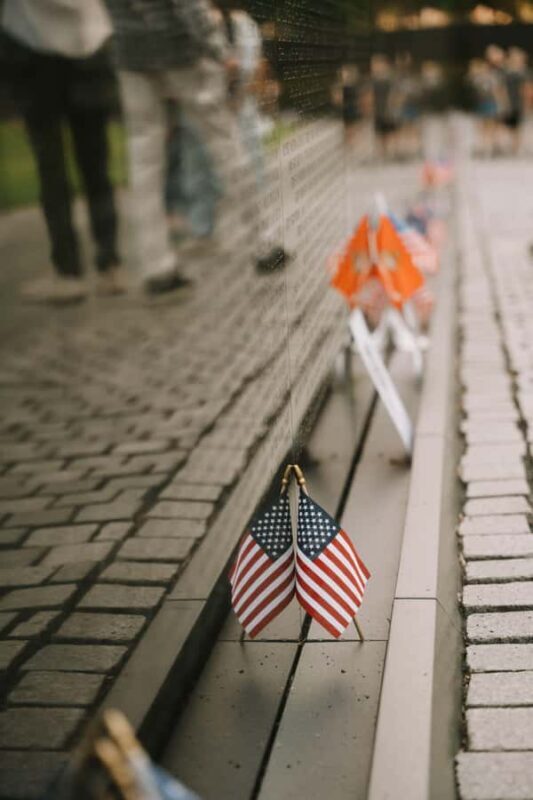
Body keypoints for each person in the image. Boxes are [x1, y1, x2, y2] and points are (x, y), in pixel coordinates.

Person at [104, 0, 284, 296]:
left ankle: (157, 268)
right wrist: (221, 53)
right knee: (226, 145)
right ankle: (263, 244)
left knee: (144, 160)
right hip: (180, 48)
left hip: (130, 53)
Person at [1, 0, 123, 303]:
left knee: (52, 168)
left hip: (35, 55)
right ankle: (109, 265)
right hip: (88, 51)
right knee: (96, 167)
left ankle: (69, 272)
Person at [503, 48, 528, 156]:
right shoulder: (507, 72)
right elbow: (503, 88)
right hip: (509, 102)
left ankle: (516, 147)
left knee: (518, 126)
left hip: (519, 103)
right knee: (510, 126)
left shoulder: (523, 72)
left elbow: (526, 89)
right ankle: (513, 146)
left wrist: (526, 103)